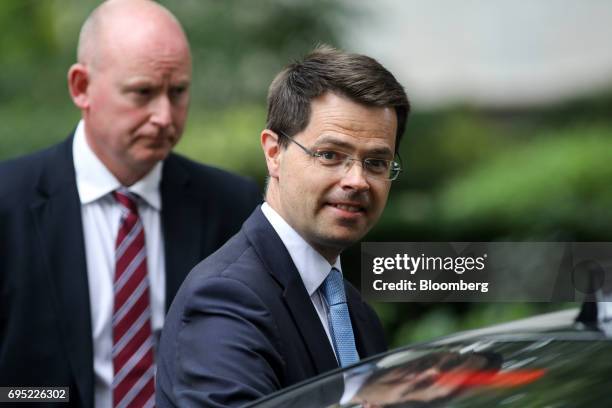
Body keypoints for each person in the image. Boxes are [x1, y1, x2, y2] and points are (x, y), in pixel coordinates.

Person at [0, 1, 260, 407]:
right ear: (81, 88)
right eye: (142, 92)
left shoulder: (231, 205)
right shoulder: (8, 203)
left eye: (178, 92)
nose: (163, 115)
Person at [157, 45, 411, 407]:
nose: (357, 180)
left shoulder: (357, 313)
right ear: (274, 153)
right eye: (330, 155)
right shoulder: (225, 299)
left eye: (376, 162)